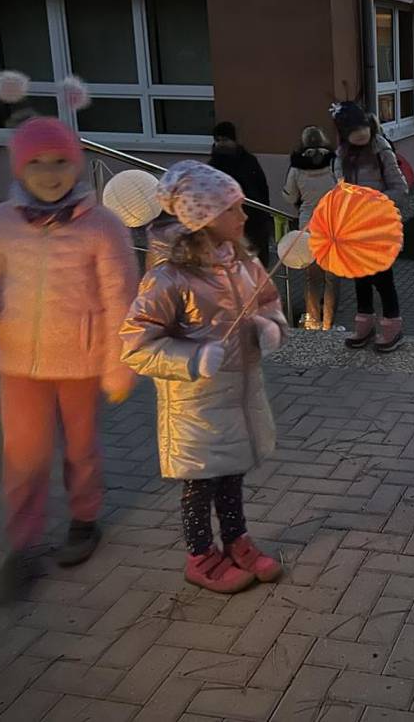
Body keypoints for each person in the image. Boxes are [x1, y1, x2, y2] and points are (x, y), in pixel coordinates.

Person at [0, 110, 138, 603]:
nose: (51, 172)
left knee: (80, 448)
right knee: (23, 456)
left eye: (61, 160)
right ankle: (23, 543)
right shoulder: (0, 221)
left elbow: (121, 296)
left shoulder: (103, 225)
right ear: (19, 168)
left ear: (77, 164)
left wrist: (118, 362)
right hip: (17, 361)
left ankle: (84, 518)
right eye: (37, 162)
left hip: (79, 359)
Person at [120, 160, 288, 594]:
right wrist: (192, 359)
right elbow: (136, 346)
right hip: (196, 406)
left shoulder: (243, 262)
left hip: (239, 396)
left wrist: (270, 326)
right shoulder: (168, 278)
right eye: (234, 208)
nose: (245, 215)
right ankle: (200, 554)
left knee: (231, 473)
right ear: (205, 219)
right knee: (200, 483)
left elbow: (267, 303)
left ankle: (236, 539)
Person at [331, 101, 409, 352]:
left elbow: (400, 188)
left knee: (383, 278)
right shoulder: (342, 156)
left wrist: (375, 202)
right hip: (354, 227)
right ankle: (364, 325)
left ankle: (392, 327)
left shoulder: (381, 149)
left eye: (363, 126)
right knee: (360, 279)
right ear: (344, 134)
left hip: (379, 226)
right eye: (354, 130)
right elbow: (339, 188)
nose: (361, 133)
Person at [283, 126, 339, 330]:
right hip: (332, 225)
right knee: (332, 278)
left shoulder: (296, 168)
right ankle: (328, 323)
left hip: (308, 226)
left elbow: (289, 196)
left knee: (312, 278)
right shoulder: (334, 163)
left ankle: (313, 320)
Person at [208, 121, 272, 268]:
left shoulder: (248, 161)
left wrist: (264, 214)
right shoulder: (213, 166)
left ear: (233, 140)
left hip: (254, 221)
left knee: (257, 265)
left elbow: (262, 188)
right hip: (227, 224)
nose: (221, 144)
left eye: (225, 140)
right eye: (218, 140)